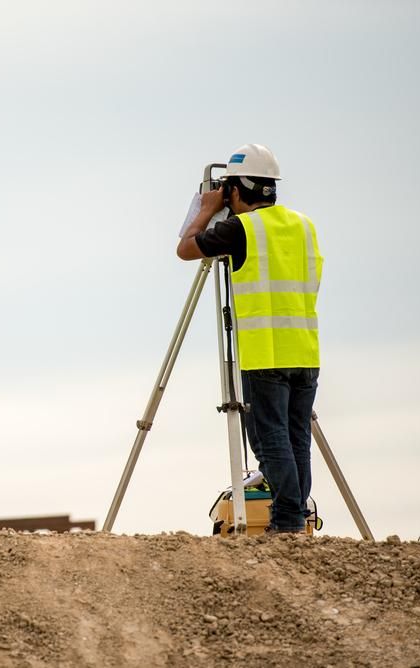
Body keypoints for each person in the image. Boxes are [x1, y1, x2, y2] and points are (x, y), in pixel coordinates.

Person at [176, 144, 323, 534]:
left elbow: (185, 249)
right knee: (296, 440)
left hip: (264, 353)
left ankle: (288, 520)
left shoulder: (242, 229)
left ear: (236, 190)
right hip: (305, 350)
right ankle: (295, 517)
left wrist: (207, 209)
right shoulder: (304, 225)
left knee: (270, 441)